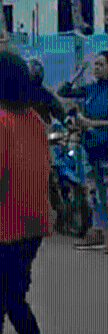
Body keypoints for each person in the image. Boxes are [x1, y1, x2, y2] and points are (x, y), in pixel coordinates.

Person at [0, 50, 53, 334]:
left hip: (11, 223)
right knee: (1, 289)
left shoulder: (0, 120)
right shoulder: (33, 117)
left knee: (12, 299)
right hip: (36, 221)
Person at [57, 51, 108, 252]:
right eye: (95, 65)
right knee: (96, 195)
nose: (96, 68)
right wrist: (77, 75)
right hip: (92, 149)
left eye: (101, 64)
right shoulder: (92, 89)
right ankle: (98, 234)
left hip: (105, 149)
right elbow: (63, 92)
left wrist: (92, 123)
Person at [26, 57, 65, 126]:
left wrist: (67, 121)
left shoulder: (44, 93)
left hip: (42, 130)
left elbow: (59, 111)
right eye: (34, 71)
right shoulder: (18, 92)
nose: (37, 74)